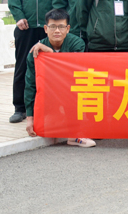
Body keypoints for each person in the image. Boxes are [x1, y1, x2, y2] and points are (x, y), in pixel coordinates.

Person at [7, 0, 68, 123]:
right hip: (26, 26)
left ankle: (49, 107)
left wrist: (57, 23)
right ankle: (20, 107)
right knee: (22, 67)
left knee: (51, 69)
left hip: (50, 29)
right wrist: (18, 16)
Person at [23, 8, 93, 147]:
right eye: (52, 26)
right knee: (46, 127)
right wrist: (29, 118)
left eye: (61, 27)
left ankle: (75, 136)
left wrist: (50, 53)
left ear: (68, 29)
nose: (57, 31)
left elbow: (70, 70)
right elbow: (30, 84)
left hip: (70, 89)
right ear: (45, 28)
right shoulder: (36, 51)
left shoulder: (77, 43)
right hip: (49, 93)